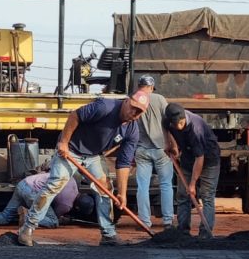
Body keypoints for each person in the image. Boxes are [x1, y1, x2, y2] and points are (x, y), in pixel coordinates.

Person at [17, 92, 147, 247]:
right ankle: (28, 228)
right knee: (55, 184)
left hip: (93, 156)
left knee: (105, 190)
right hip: (70, 150)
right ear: (126, 101)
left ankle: (108, 234)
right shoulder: (105, 107)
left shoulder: (132, 131)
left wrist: (122, 193)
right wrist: (64, 142)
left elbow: (124, 163)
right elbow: (75, 116)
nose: (134, 113)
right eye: (133, 108)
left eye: (139, 112)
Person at [163, 103, 220, 238]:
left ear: (184, 118)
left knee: (207, 196)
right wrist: (170, 144)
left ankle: (205, 233)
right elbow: (165, 126)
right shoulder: (168, 120)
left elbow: (200, 158)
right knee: (183, 195)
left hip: (208, 159)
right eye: (175, 124)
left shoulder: (196, 128)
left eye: (181, 123)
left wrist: (193, 184)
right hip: (188, 159)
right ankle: (182, 231)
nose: (178, 127)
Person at [0, 171, 79, 228]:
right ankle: (27, 216)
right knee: (53, 221)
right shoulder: (67, 205)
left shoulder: (72, 179)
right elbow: (54, 216)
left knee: (6, 216)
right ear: (78, 206)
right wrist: (63, 219)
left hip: (24, 183)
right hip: (33, 192)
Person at [132, 75, 174, 229]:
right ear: (151, 87)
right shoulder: (160, 99)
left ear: (139, 86)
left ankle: (144, 221)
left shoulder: (134, 99)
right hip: (161, 148)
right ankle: (168, 221)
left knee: (142, 186)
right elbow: (169, 123)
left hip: (141, 148)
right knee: (166, 185)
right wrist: (172, 144)